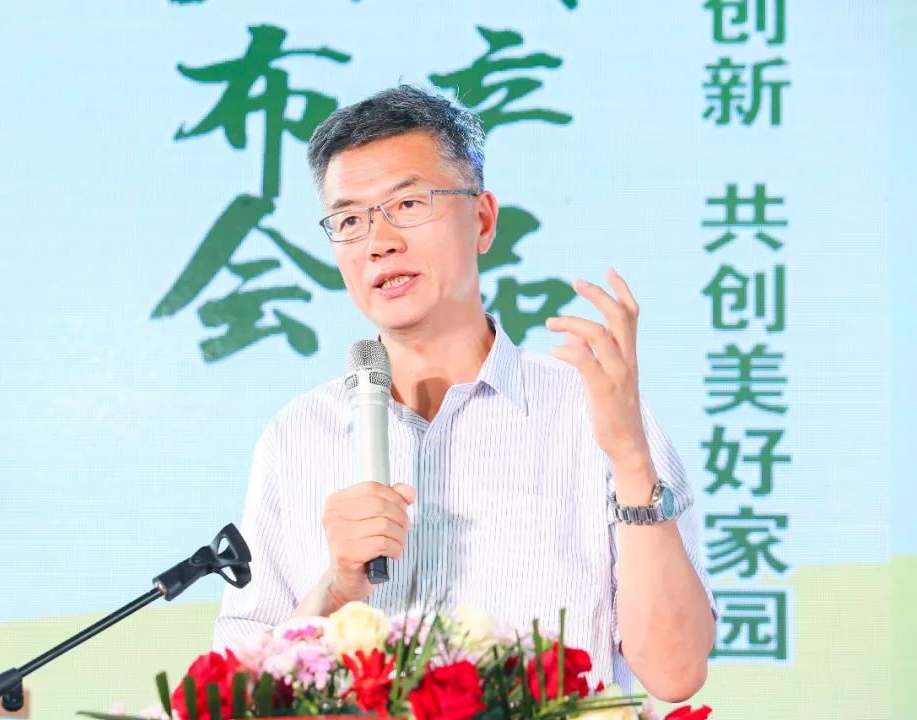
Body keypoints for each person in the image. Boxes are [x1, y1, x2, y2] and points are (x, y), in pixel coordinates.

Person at [212, 85, 715, 701]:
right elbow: (238, 699)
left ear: (482, 220)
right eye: (349, 220)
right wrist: (334, 590)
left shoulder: (590, 411)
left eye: (408, 203)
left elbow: (675, 673)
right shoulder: (297, 436)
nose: (379, 241)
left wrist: (631, 457)